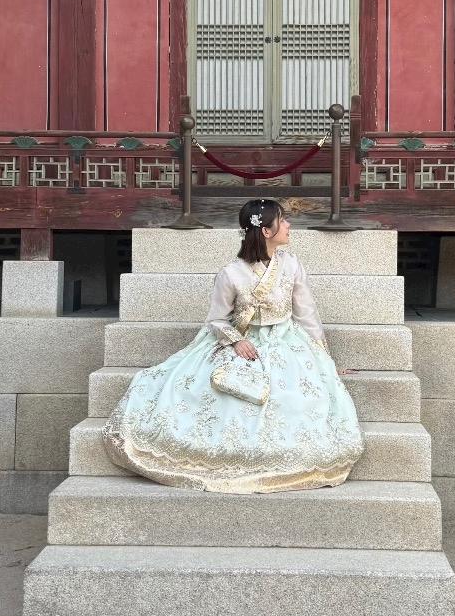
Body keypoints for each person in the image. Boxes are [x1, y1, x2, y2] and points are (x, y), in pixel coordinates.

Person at [102, 199, 364, 494]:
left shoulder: (291, 264)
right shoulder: (230, 273)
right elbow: (216, 319)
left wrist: (324, 359)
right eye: (283, 220)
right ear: (266, 231)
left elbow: (307, 314)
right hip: (244, 340)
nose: (289, 225)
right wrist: (236, 340)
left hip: (285, 339)